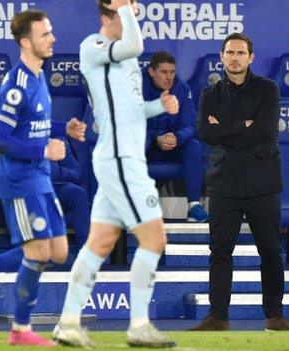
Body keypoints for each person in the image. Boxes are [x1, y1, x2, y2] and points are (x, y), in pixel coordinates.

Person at [0, 9, 86, 347]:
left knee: (57, 251)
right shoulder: (17, 83)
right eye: (45, 34)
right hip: (20, 179)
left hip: (40, 178)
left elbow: (35, 124)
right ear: (26, 42)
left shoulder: (39, 75)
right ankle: (20, 329)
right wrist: (43, 153)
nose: (53, 38)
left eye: (51, 32)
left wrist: (63, 129)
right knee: (38, 251)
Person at [52, 0, 179, 348]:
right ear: (109, 16)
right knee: (154, 239)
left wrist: (158, 106)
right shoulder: (92, 47)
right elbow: (134, 44)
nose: (132, 19)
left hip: (123, 159)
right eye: (125, 15)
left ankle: (67, 322)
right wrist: (125, 7)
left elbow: (131, 111)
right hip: (120, 159)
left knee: (100, 243)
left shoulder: (126, 61)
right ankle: (139, 325)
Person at [189, 33, 289, 331]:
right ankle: (218, 317)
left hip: (263, 182)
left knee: (270, 252)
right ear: (221, 56)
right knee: (220, 252)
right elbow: (206, 133)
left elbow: (265, 130)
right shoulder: (208, 95)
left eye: (241, 52)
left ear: (250, 57)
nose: (235, 57)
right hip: (223, 183)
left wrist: (225, 129)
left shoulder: (268, 89)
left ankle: (274, 315)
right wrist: (243, 126)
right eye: (230, 52)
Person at [143, 51, 208, 223]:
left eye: (172, 72)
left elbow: (190, 124)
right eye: (163, 72)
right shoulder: (135, 87)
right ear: (151, 72)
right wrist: (156, 138)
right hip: (145, 146)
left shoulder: (181, 88)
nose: (169, 77)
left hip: (171, 146)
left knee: (193, 145)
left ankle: (194, 206)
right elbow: (129, 124)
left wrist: (177, 138)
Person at [50, 137, 90, 247]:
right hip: (31, 189)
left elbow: (77, 172)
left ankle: (84, 251)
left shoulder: (57, 142)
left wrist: (60, 172)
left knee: (78, 193)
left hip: (56, 187)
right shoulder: (21, 141)